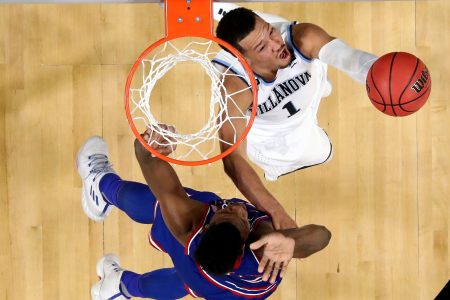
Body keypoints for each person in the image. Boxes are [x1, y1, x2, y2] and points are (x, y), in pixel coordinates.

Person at [76, 127, 331, 299]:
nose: (235, 208)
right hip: (218, 277)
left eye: (235, 215)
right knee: (184, 274)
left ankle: (101, 188)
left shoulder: (189, 224)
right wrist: (292, 241)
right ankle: (120, 285)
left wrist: (148, 148)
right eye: (232, 213)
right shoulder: (271, 246)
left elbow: (149, 163)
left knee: (161, 206)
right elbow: (323, 237)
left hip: (221, 288)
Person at [210, 7, 378, 229]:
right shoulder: (235, 88)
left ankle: (215, 7)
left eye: (271, 32)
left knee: (316, 68)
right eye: (262, 47)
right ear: (244, 60)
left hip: (306, 98)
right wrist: (276, 212)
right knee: (322, 153)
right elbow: (233, 160)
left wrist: (381, 69)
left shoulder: (301, 38)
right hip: (271, 134)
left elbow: (351, 59)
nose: (276, 44)